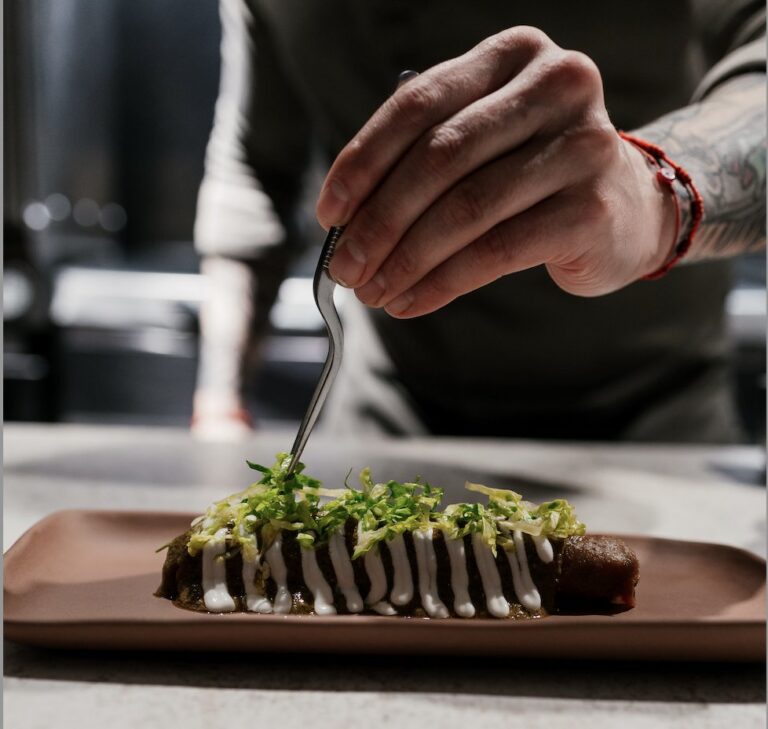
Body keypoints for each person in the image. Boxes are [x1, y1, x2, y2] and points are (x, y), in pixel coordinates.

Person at [191, 0, 766, 443]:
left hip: (649, 422)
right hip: (387, 418)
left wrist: (655, 192)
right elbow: (255, 169)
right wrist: (220, 403)